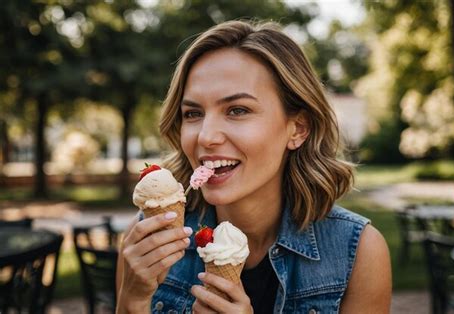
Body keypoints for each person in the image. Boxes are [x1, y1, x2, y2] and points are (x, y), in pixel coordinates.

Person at [116, 20, 391, 313]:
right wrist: (132, 300)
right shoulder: (147, 238)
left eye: (237, 110)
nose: (206, 137)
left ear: (297, 128)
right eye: (193, 113)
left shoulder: (358, 253)